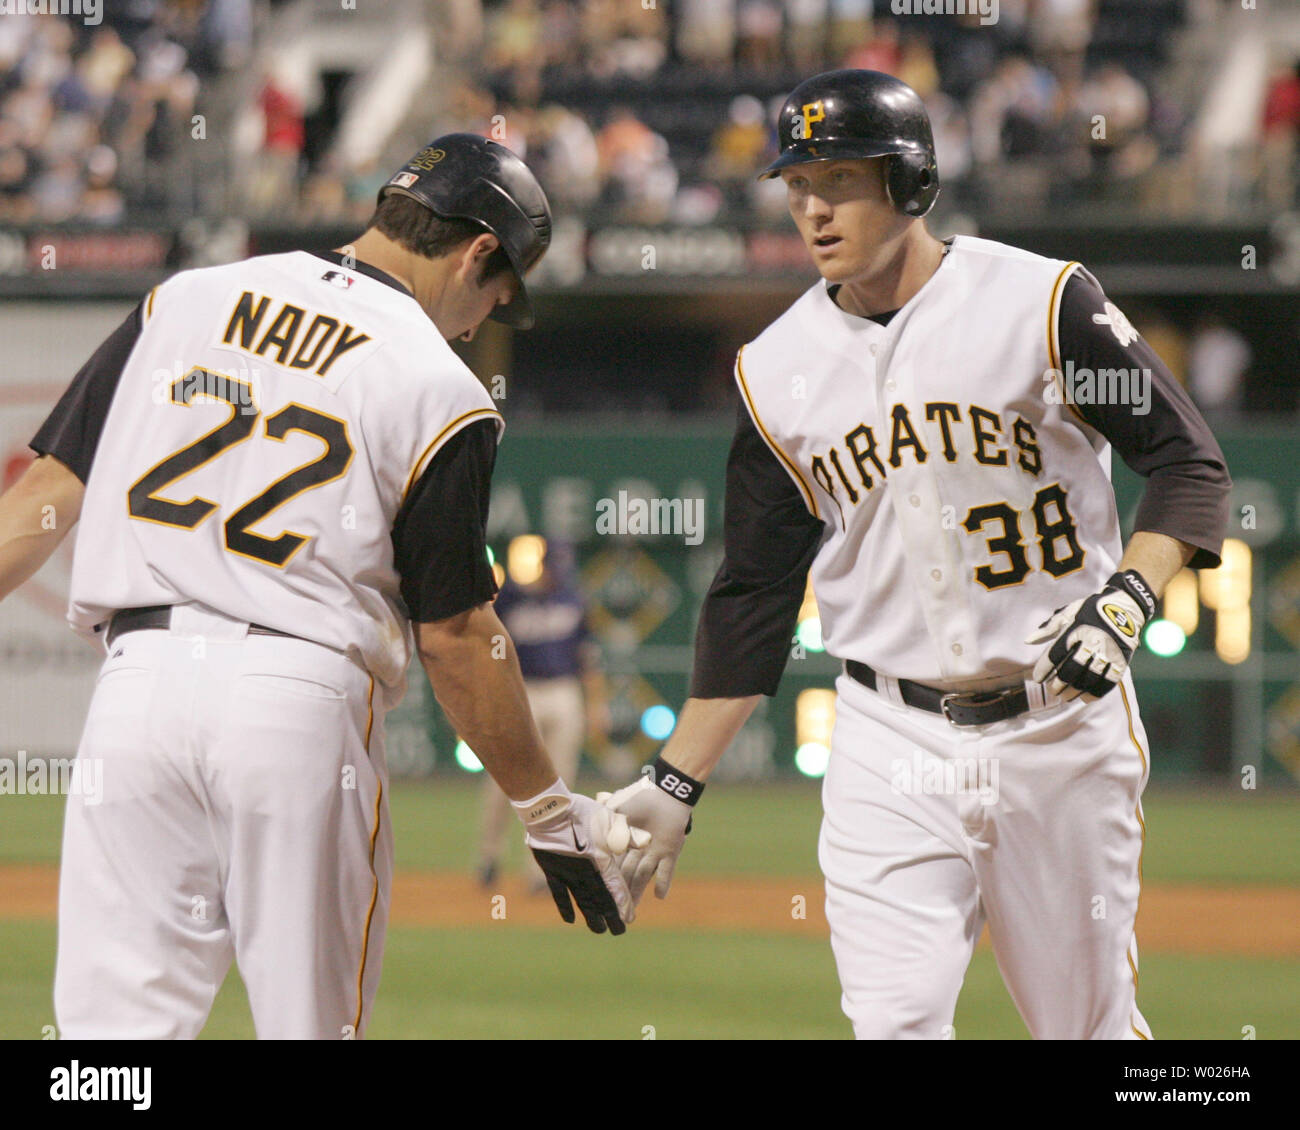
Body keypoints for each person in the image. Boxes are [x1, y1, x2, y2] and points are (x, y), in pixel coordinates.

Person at [603, 71, 1231, 1040]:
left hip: (1056, 725)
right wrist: (674, 777)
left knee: (1088, 1027)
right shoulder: (774, 368)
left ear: (910, 182)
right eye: (795, 184)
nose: (812, 207)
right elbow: (753, 594)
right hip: (884, 738)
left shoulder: (1042, 299)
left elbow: (1188, 463)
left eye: (840, 179)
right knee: (892, 1023)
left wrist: (1125, 598)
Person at [0, 133, 644, 1041]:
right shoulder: (438, 385)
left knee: (111, 1047)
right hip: (293, 703)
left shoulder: (186, 299)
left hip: (134, 697)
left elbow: (42, 499)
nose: (482, 318)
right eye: (497, 294)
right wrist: (544, 808)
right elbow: (457, 636)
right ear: (479, 252)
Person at [478, 537, 608, 891]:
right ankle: (489, 857)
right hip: (521, 693)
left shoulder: (574, 599)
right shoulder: (511, 599)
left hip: (565, 693)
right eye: (555, 565)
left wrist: (596, 705)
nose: (559, 573)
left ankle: (540, 871)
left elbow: (588, 659)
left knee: (558, 787)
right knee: (502, 781)